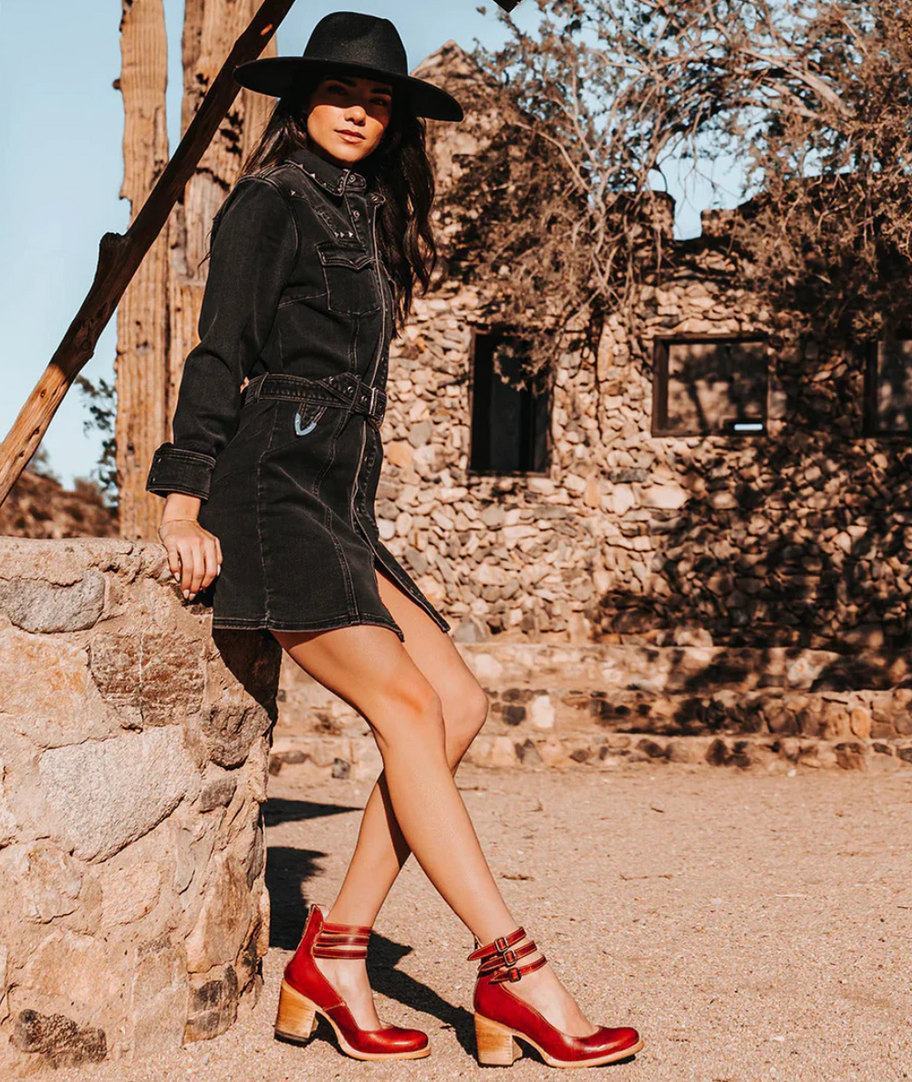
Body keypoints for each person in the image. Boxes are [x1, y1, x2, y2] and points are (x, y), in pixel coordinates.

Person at [144, 10, 643, 1070]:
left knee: (458, 703)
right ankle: (514, 969)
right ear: (302, 102)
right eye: (339, 93)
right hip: (270, 494)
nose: (358, 113)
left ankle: (333, 956)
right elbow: (217, 351)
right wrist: (182, 501)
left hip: (341, 500)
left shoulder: (366, 215)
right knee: (410, 707)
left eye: (376, 102)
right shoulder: (270, 202)